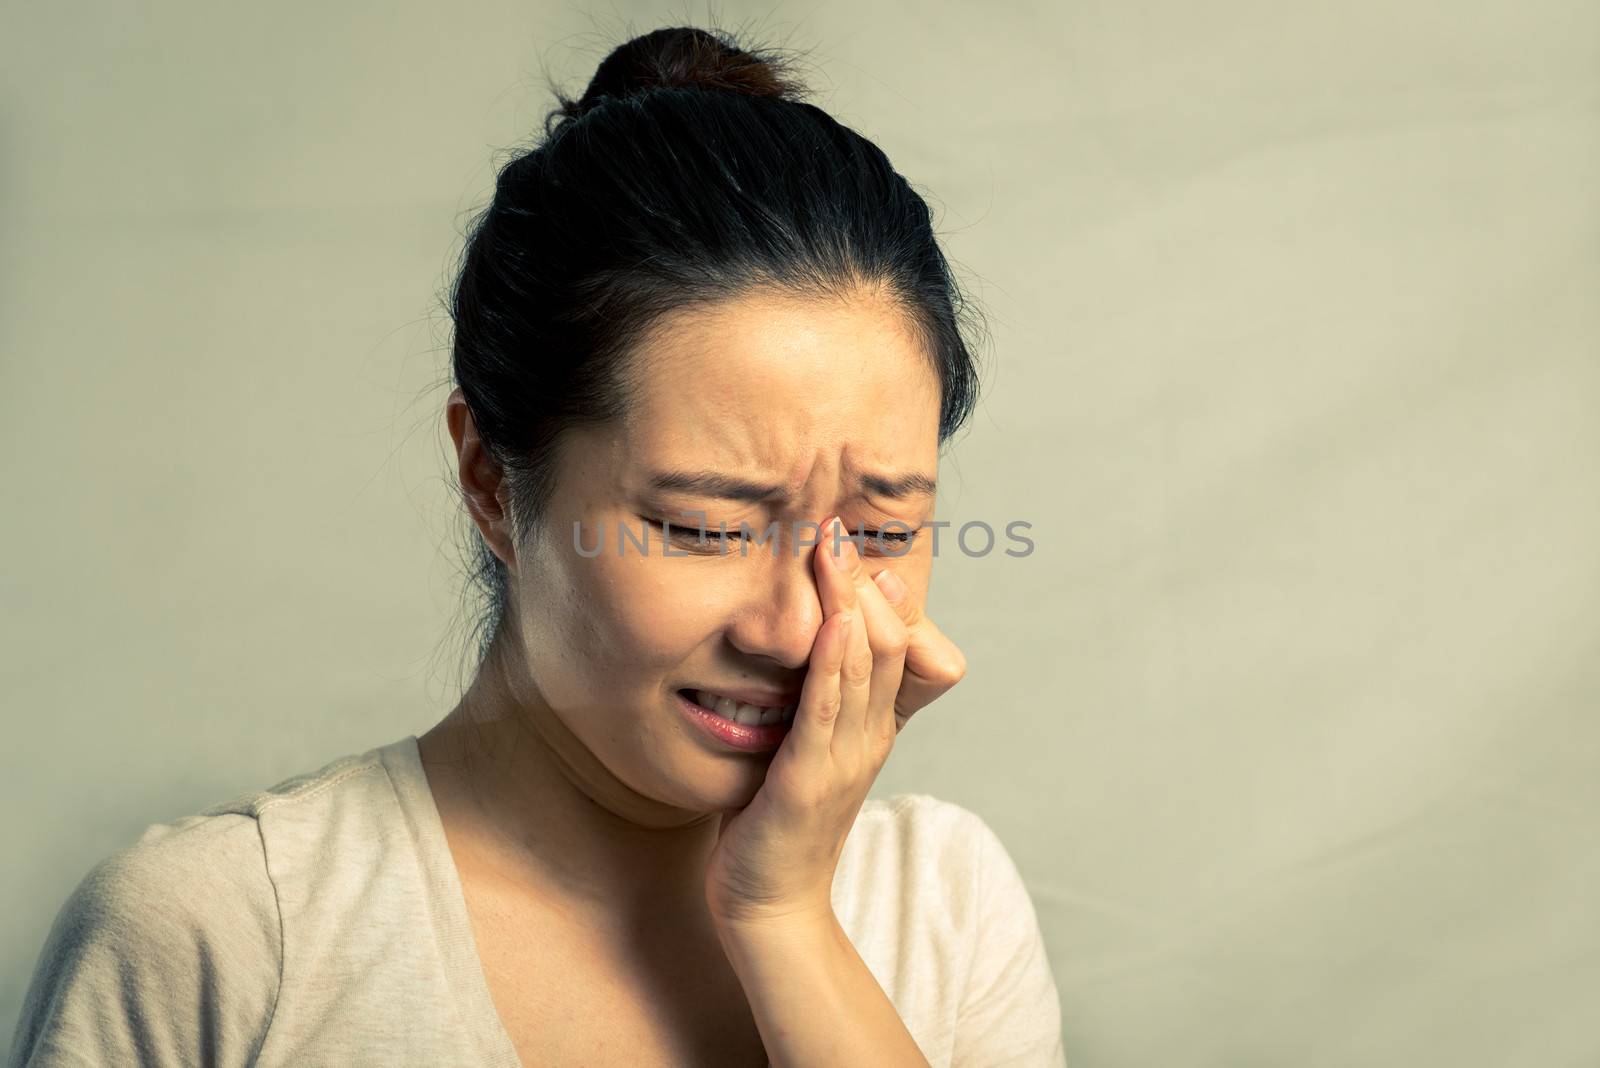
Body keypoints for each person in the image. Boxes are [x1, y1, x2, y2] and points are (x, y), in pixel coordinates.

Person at [7, 24, 1067, 1068]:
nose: (797, 628)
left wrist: (787, 919)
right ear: (491, 484)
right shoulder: (226, 942)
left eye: (879, 531)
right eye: (704, 526)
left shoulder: (944, 905)